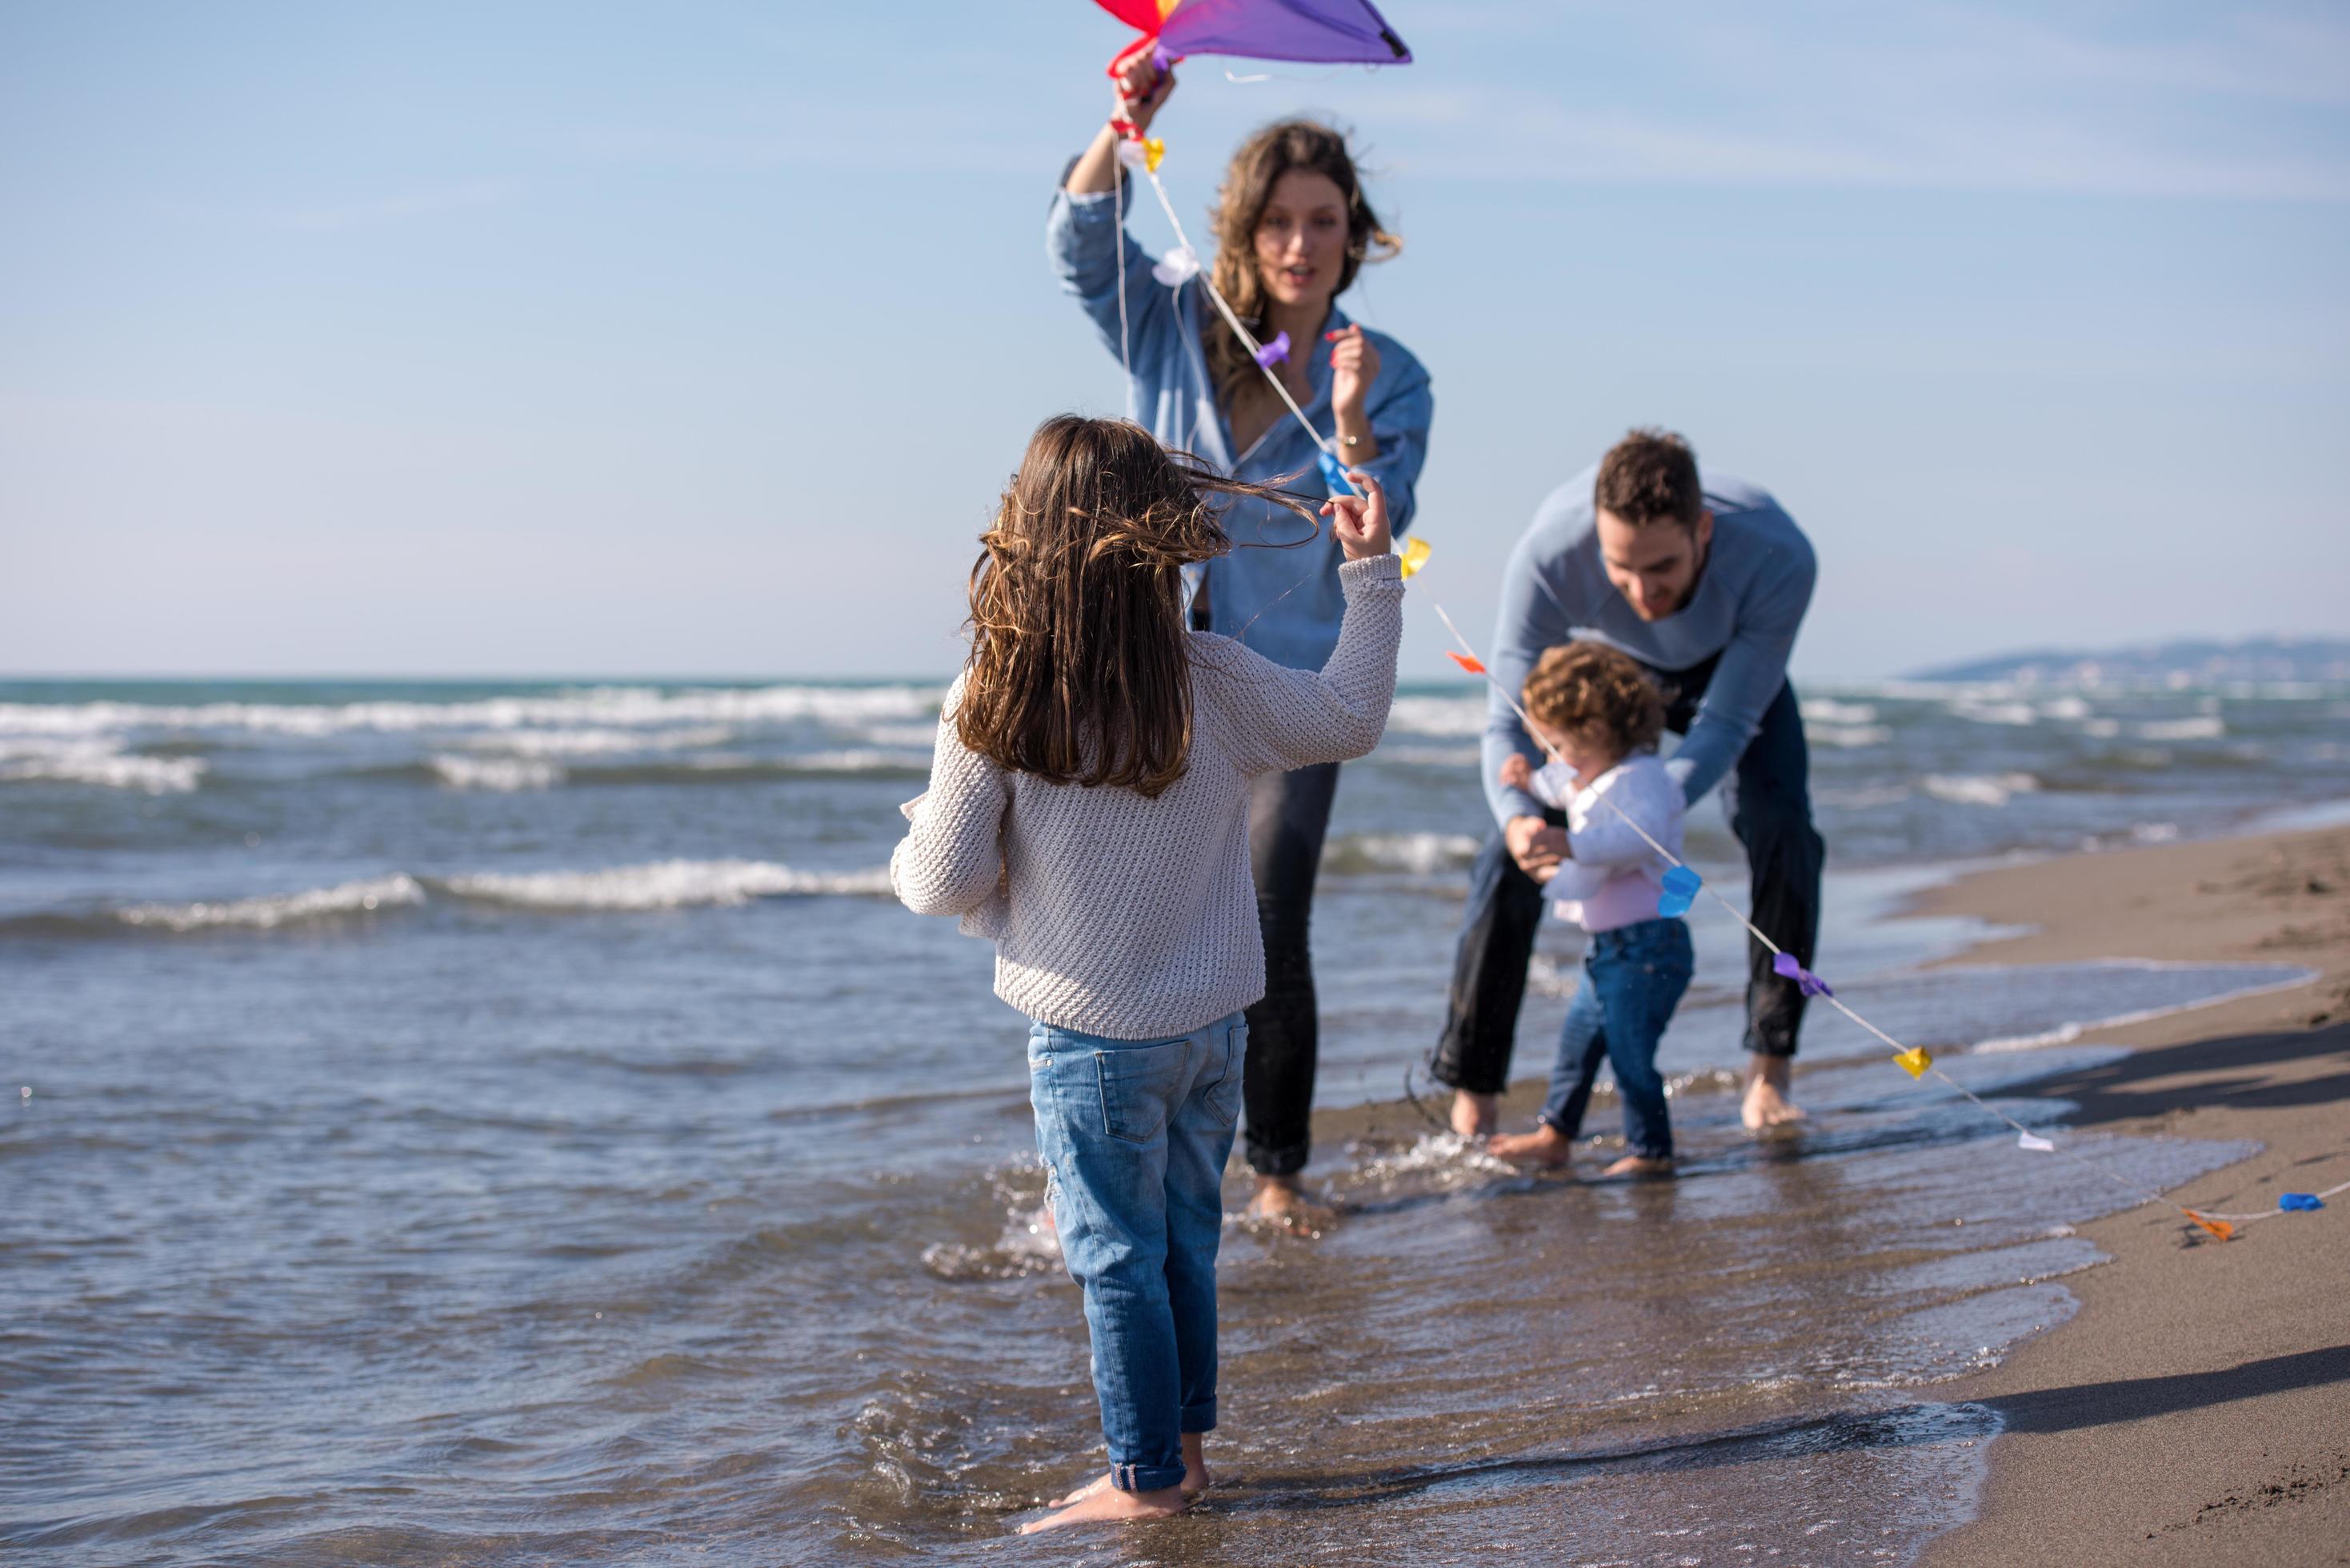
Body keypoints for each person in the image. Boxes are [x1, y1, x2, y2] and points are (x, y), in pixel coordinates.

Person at [889, 416, 1404, 1533]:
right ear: (1161, 539)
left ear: (1025, 539)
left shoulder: (1002, 688)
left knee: (1114, 1259)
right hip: (1215, 1027)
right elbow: (1353, 718)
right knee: (1183, 1243)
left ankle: (1146, 1485)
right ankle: (1184, 1453)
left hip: (1092, 1041)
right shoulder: (1209, 677)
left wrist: (917, 832)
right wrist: (1370, 577)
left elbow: (940, 880)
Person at [1047, 53, 1434, 1230]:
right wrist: (1122, 128)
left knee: (1271, 913)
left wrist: (1354, 421)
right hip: (1150, 664)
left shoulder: (1395, 374)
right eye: (1278, 221)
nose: (1300, 244)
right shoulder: (1175, 317)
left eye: (1323, 223)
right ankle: (1147, 1156)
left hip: (1291, 689)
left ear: (1352, 235)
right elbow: (1077, 249)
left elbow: (1385, 523)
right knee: (1138, 911)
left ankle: (1275, 1171)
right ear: (1246, 229)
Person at [1432, 430, 1823, 1135]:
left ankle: (1769, 1067)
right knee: (1506, 853)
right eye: (1621, 570)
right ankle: (1475, 1098)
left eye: (1663, 567)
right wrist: (1523, 815)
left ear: (1702, 530)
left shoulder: (1780, 556)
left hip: (1726, 672)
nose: (1643, 591)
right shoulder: (1550, 554)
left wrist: (1631, 811)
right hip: (1608, 672)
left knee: (1782, 824)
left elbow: (1726, 725)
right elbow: (1506, 721)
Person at [1483, 642, 1692, 1176]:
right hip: (1612, 948)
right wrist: (1526, 781)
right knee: (1578, 1045)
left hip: (1647, 946)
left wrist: (1570, 845)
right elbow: (1570, 784)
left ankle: (1651, 1150)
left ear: (1596, 733)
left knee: (1628, 1055)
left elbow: (1633, 839)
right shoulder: (1599, 773)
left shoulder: (1641, 778)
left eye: (1555, 745)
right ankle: (1555, 1134)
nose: (1551, 757)